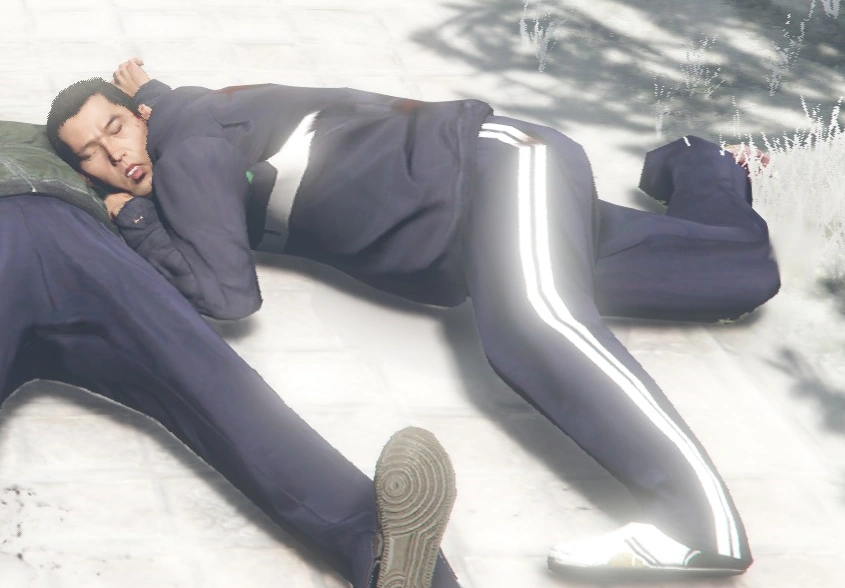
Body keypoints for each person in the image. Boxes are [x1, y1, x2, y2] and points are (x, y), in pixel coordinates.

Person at [47, 58, 782, 578]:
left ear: (141, 116)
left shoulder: (186, 149)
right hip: (476, 222)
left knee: (531, 325)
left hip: (494, 175)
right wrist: (153, 110)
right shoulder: (190, 120)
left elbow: (227, 294)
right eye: (93, 157)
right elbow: (196, 130)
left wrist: (133, 219)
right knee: (735, 274)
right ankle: (703, 163)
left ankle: (697, 527)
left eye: (116, 129)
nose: (116, 156)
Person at [0, 118, 460, 588]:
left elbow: (176, 157)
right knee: (223, 395)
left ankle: (390, 562)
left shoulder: (63, 135)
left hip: (80, 236)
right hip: (45, 236)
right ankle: (378, 549)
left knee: (224, 392)